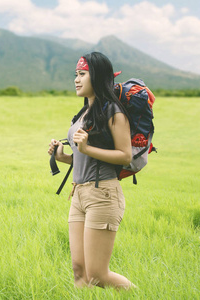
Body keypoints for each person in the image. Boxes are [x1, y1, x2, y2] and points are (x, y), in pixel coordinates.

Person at [48, 52, 135, 290]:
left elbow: (125, 156)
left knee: (97, 274)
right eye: (75, 75)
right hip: (79, 194)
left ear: (96, 76)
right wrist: (62, 156)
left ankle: (143, 295)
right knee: (80, 270)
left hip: (103, 195)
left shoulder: (114, 111)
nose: (76, 79)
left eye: (82, 74)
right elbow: (84, 159)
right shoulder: (84, 112)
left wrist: (86, 147)